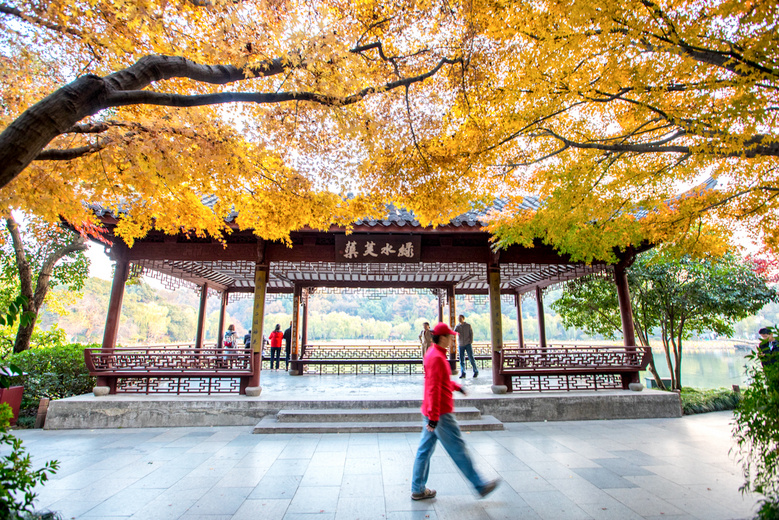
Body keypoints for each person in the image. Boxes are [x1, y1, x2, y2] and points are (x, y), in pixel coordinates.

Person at [411, 322, 499, 501]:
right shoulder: (437, 357)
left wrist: (457, 387)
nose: (453, 339)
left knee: (424, 450)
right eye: (450, 336)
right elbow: (434, 388)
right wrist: (435, 417)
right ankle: (479, 485)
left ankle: (417, 488)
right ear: (442, 338)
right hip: (440, 413)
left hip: (430, 409)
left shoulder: (432, 354)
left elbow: (439, 382)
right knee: (458, 449)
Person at [454, 315, 478, 379]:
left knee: (471, 357)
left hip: (468, 343)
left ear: (463, 319)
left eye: (461, 318)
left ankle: (475, 371)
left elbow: (471, 333)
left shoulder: (468, 325)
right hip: (461, 344)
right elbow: (454, 332)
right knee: (461, 359)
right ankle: (463, 373)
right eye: (458, 318)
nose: (459, 319)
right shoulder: (457, 326)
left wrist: (471, 341)